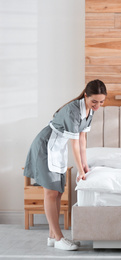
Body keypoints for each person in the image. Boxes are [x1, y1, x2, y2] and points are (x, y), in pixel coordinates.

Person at [23, 79, 107, 250]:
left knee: (59, 191)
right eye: (94, 101)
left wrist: (84, 165)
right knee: (51, 193)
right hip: (45, 146)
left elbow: (82, 139)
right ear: (86, 95)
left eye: (101, 102)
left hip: (57, 148)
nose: (98, 105)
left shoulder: (89, 111)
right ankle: (59, 238)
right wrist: (79, 170)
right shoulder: (73, 111)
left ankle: (52, 237)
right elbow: (74, 144)